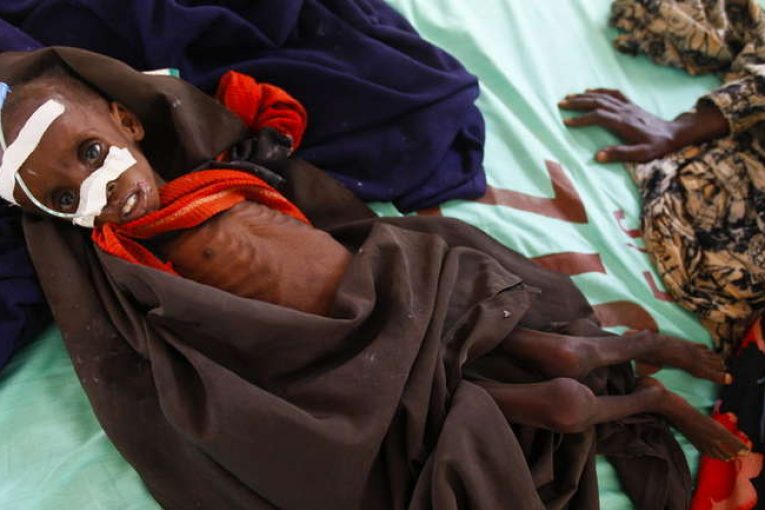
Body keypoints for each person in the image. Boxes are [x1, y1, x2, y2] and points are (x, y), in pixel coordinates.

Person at [0, 46, 733, 509]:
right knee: (559, 405)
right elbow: (184, 359)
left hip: (400, 292)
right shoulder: (133, 262)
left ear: (128, 123)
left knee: (563, 351)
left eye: (89, 154)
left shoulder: (209, 174)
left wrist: (260, 121)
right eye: (63, 199)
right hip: (355, 368)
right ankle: (650, 398)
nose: (96, 192)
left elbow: (274, 158)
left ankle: (652, 360)